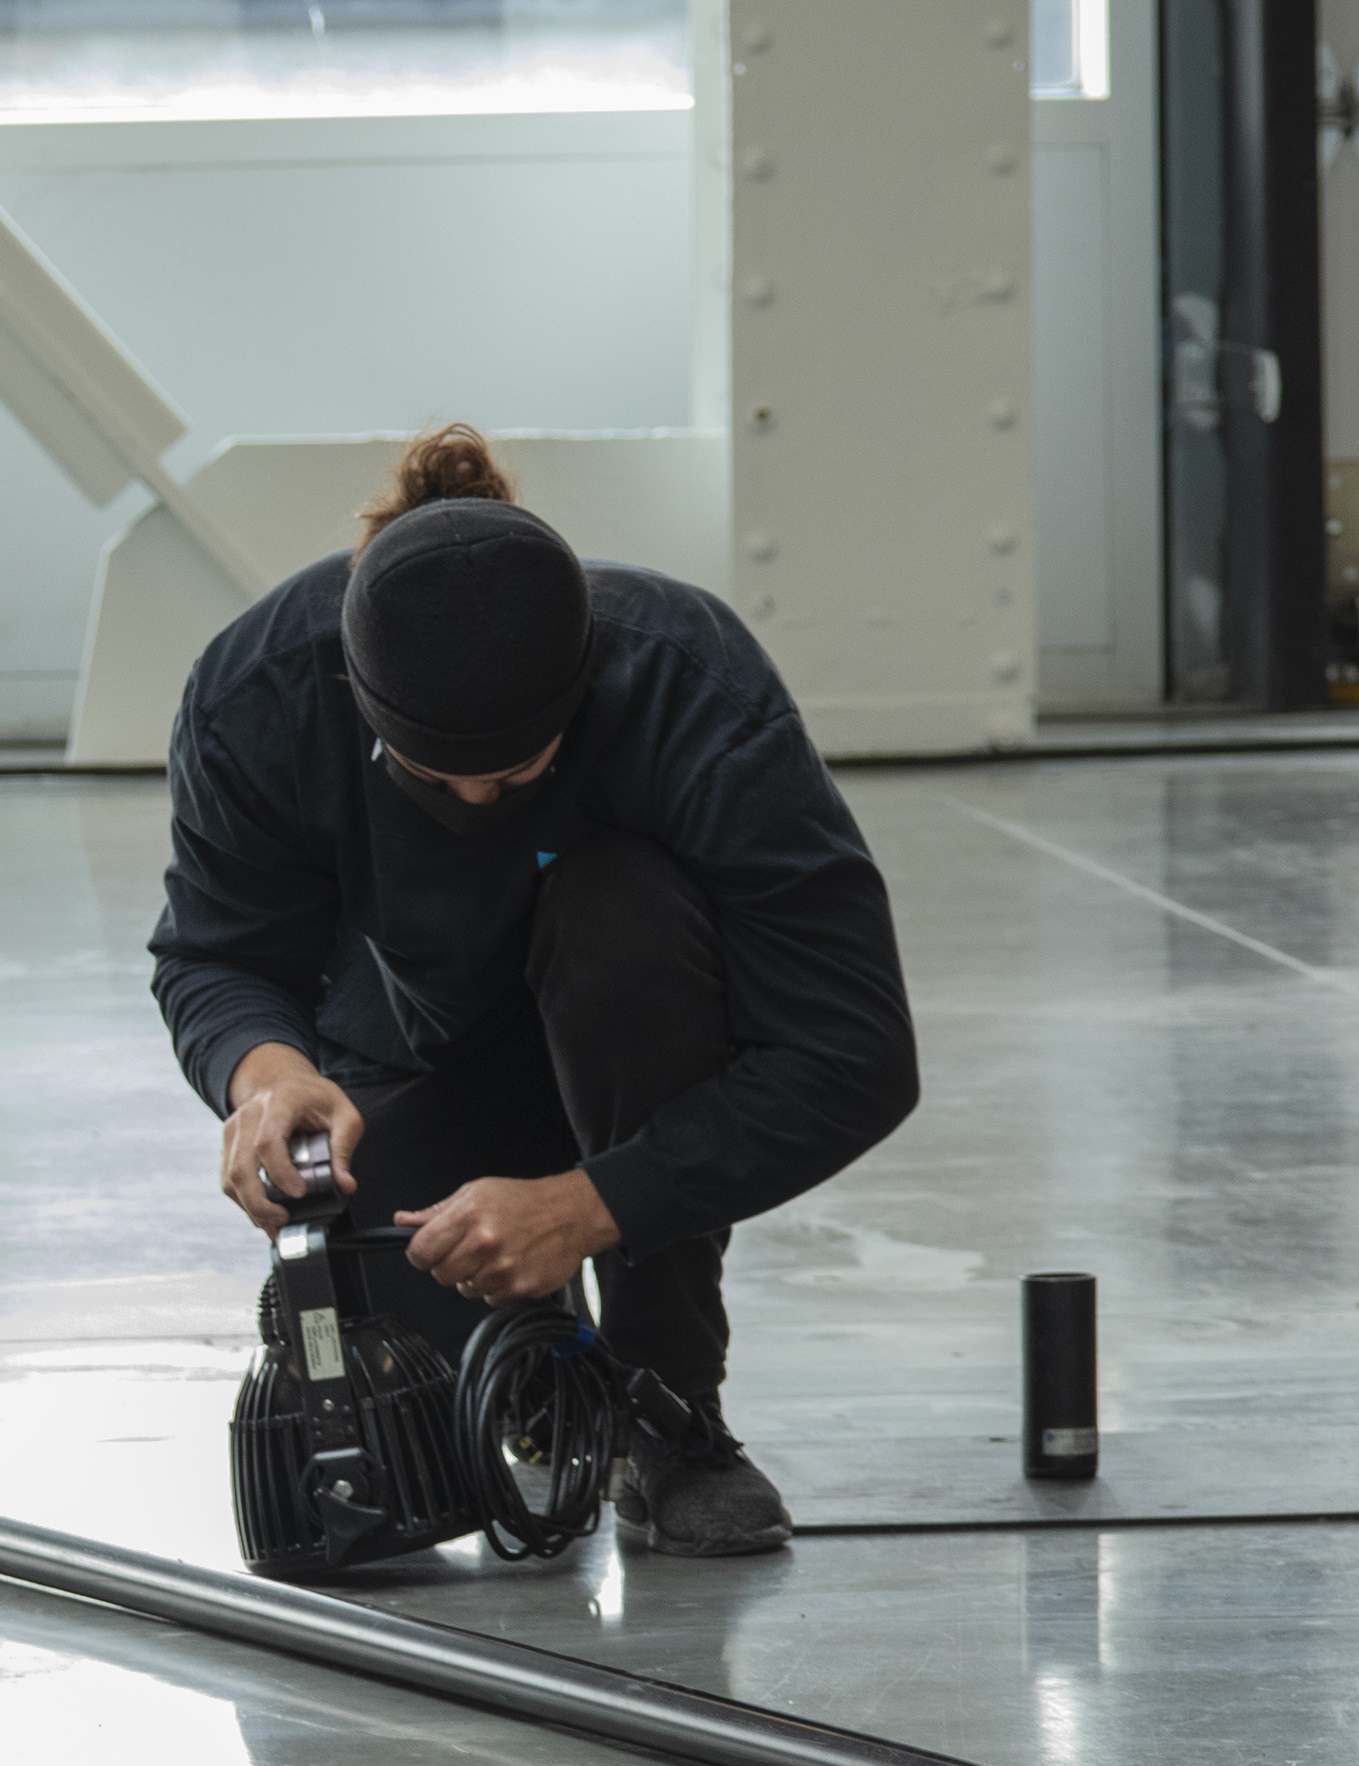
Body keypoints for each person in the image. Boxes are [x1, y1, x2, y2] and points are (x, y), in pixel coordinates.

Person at [148, 422, 921, 1556]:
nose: (474, 800)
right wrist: (267, 1075)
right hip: (405, 1049)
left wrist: (591, 1203)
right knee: (435, 1451)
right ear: (358, 699)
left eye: (513, 774)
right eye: (433, 775)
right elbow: (217, 955)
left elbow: (855, 1050)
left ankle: (669, 1412)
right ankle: (546, 1367)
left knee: (619, 912)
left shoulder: (687, 682)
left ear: (585, 681)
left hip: (638, 1031)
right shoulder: (257, 694)